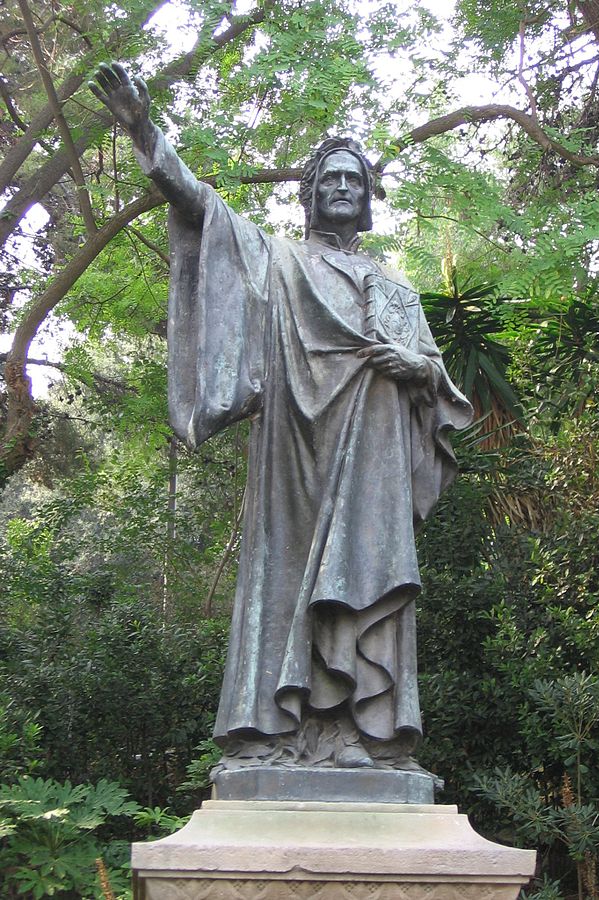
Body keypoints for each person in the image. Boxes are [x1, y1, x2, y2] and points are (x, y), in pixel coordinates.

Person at [90, 63, 473, 777]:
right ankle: (270, 731)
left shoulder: (393, 284)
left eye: (352, 183)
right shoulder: (277, 260)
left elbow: (435, 382)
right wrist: (145, 133)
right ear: (308, 196)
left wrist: (416, 369)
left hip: (372, 459)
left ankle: (362, 733)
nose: (339, 189)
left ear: (365, 202)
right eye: (327, 179)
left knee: (366, 582)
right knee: (283, 583)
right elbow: (200, 209)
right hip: (294, 450)